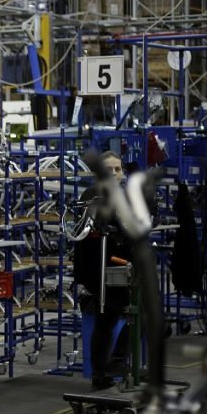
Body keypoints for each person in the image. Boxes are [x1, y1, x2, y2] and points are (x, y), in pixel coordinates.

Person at [73, 152, 132, 390]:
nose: (115, 174)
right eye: (109, 169)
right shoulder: (92, 196)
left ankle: (106, 370)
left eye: (118, 169)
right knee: (112, 318)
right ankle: (108, 368)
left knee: (110, 319)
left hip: (120, 265)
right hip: (101, 270)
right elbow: (92, 234)